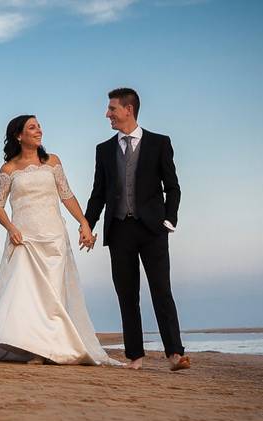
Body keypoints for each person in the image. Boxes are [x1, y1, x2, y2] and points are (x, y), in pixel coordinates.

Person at [0, 115, 119, 366]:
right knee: (22, 293)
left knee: (52, 295)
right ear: (19, 136)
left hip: (54, 238)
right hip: (24, 239)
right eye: (32, 127)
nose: (39, 130)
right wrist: (10, 227)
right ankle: (27, 345)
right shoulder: (8, 169)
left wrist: (84, 223)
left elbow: (67, 196)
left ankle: (45, 350)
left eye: (39, 126)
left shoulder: (53, 162)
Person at [85, 88, 190, 371]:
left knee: (161, 290)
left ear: (128, 109)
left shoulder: (159, 143)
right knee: (127, 294)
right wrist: (88, 225)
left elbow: (173, 187)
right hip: (119, 231)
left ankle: (175, 354)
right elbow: (98, 194)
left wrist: (169, 220)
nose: (107, 114)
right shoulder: (104, 150)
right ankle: (135, 356)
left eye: (112, 109)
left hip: (153, 230)